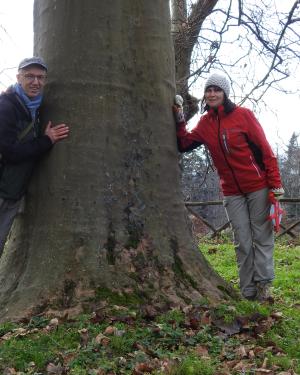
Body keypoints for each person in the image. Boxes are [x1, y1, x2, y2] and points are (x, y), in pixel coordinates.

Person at [173, 72, 284, 301]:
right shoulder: (205, 123)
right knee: (242, 241)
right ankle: (247, 291)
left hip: (257, 187)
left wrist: (275, 185)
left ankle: (263, 286)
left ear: (225, 93)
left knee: (261, 237)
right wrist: (180, 118)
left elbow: (266, 151)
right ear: (205, 95)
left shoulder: (244, 116)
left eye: (217, 90)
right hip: (232, 192)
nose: (212, 94)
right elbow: (184, 143)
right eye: (209, 90)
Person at [0, 57, 69, 257]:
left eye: (40, 77)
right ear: (18, 77)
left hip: (12, 189)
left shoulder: (32, 107)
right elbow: (10, 152)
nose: (35, 82)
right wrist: (46, 141)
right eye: (29, 76)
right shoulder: (7, 107)